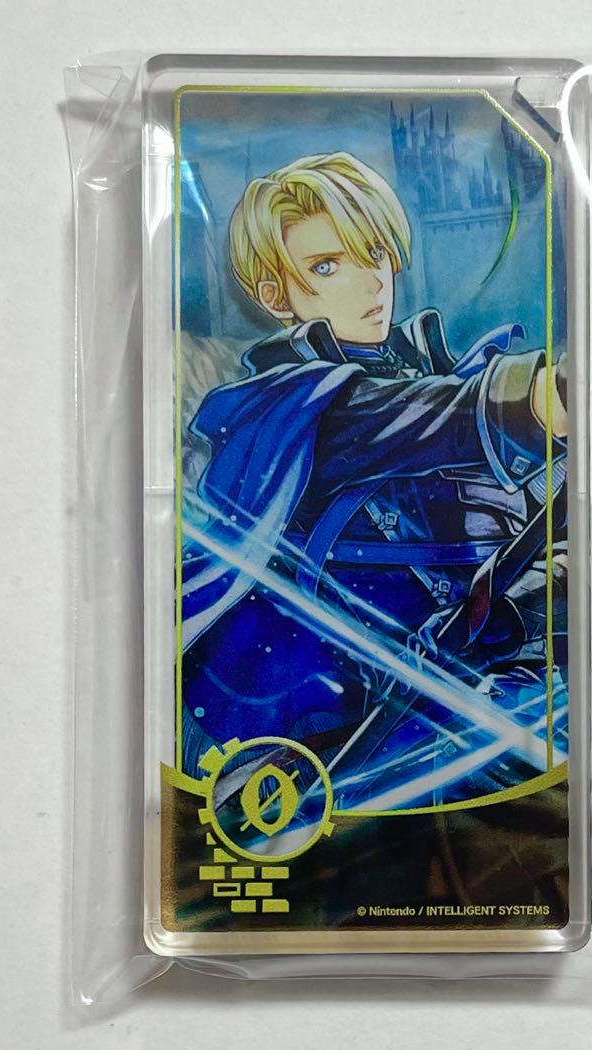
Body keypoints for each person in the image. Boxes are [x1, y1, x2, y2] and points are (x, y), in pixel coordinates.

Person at [180, 151, 567, 800]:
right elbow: (405, 419)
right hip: (342, 702)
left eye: (376, 255)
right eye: (327, 267)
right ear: (276, 296)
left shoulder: (424, 369)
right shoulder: (292, 402)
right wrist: (532, 401)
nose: (370, 285)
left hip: (471, 652)